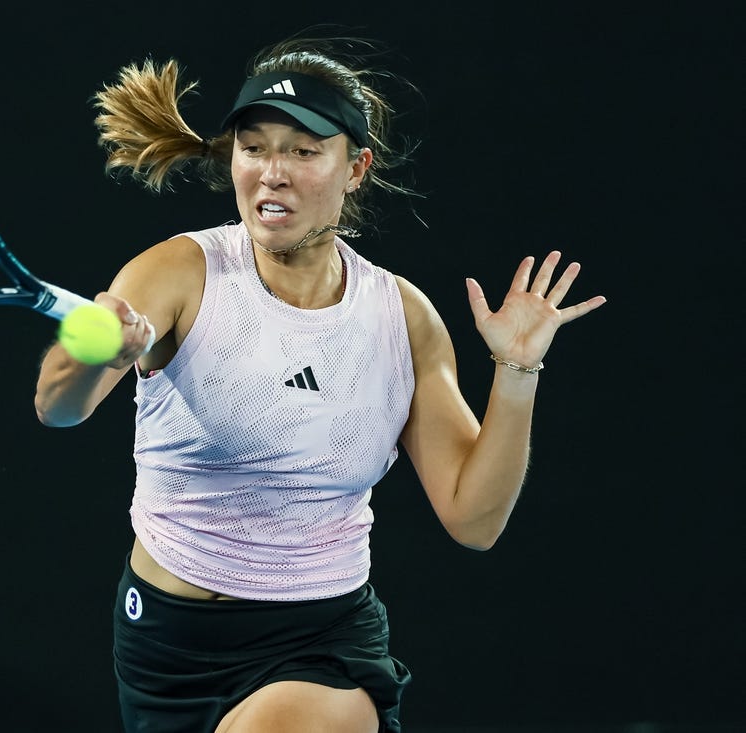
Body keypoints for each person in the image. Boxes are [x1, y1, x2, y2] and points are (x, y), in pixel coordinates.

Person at [34, 33, 606, 733]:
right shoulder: (177, 273)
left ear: (355, 167)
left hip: (319, 642)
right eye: (255, 147)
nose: (273, 172)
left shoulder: (401, 318)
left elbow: (474, 518)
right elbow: (58, 408)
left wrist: (517, 371)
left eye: (304, 151)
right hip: (165, 645)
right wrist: (93, 353)